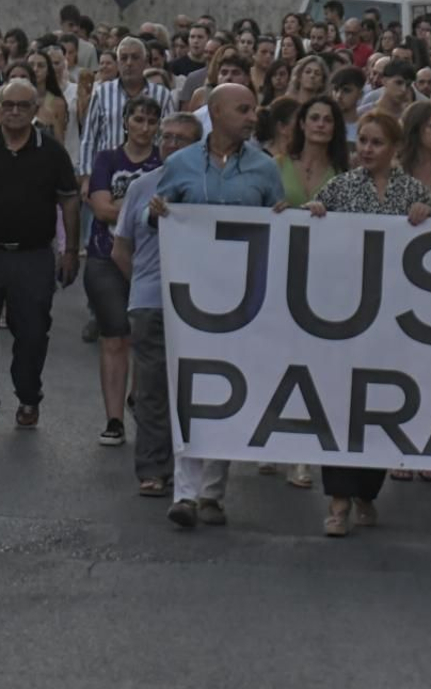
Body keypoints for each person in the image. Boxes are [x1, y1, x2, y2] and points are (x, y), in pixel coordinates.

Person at [151, 83, 285, 529]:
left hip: (243, 300)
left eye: (254, 110)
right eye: (243, 110)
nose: (252, 117)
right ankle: (185, 494)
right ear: (215, 112)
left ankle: (213, 493)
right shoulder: (179, 164)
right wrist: (160, 215)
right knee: (191, 391)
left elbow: (277, 234)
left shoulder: (266, 170)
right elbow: (160, 224)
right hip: (190, 299)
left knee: (228, 390)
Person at [305, 110, 431, 536]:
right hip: (344, 317)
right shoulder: (340, 187)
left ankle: (366, 492)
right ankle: (338, 501)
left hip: (394, 321)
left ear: (394, 148)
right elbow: (311, 227)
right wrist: (316, 211)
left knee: (380, 406)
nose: (367, 150)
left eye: (376, 143)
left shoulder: (414, 190)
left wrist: (423, 214)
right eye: (362, 142)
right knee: (341, 405)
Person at [0, 79, 81, 434]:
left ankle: (29, 394)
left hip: (33, 257)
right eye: (7, 105)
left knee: (32, 332)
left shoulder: (52, 151)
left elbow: (70, 199)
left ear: (35, 110)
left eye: (23, 106)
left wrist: (70, 249)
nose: (14, 112)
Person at [113, 112, 203, 497]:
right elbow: (121, 248)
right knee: (151, 387)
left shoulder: (207, 187)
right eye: (165, 137)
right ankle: (152, 467)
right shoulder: (141, 186)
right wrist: (146, 288)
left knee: (193, 391)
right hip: (151, 301)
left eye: (180, 139)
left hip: (203, 304)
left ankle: (194, 471)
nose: (169, 144)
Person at [85, 96, 163, 447]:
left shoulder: (164, 162)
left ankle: (138, 399)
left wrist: (126, 208)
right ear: (126, 122)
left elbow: (171, 209)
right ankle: (113, 419)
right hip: (105, 256)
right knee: (114, 336)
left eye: (151, 121)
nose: (145, 127)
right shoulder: (107, 159)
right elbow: (100, 208)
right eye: (138, 119)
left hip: (151, 263)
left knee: (142, 338)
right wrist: (141, 212)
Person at [79, 37, 174, 182]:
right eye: (124, 58)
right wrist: (86, 175)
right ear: (117, 63)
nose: (129, 63)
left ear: (145, 61)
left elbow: (168, 137)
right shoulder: (102, 92)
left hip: (150, 173)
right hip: (106, 173)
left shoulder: (162, 95)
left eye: (135, 57)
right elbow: (89, 137)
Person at [25, 49, 70, 140]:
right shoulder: (14, 97)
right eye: (31, 65)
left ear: (48, 70)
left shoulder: (57, 103)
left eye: (41, 66)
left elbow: (59, 141)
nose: (35, 69)